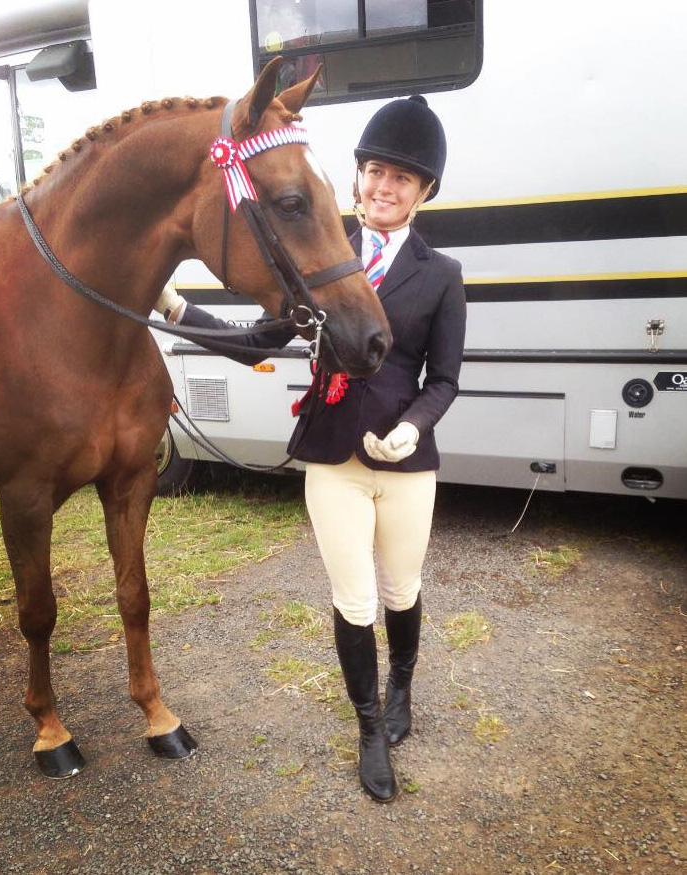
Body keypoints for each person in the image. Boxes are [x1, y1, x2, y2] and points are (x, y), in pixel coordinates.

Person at [155, 95, 466, 803]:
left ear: (422, 194)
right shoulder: (321, 257)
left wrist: (414, 424)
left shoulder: (442, 274)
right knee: (353, 599)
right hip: (333, 461)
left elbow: (444, 378)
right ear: (356, 177)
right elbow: (255, 345)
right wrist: (176, 310)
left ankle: (404, 690)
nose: (383, 189)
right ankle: (367, 730)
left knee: (401, 590)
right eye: (375, 173)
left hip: (407, 465)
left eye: (402, 180)